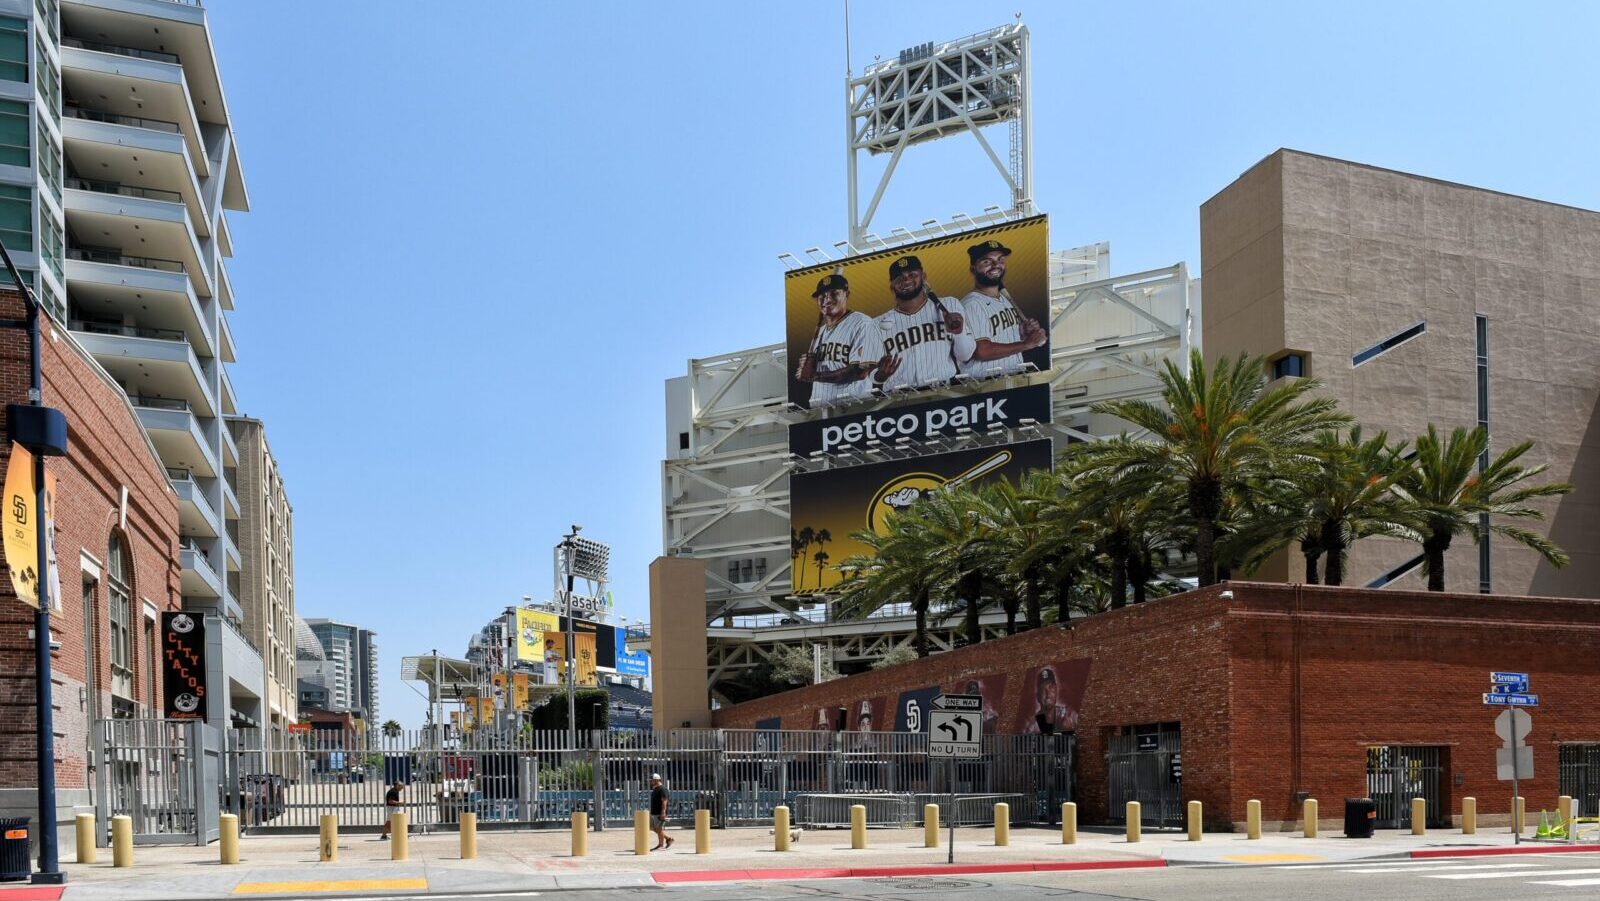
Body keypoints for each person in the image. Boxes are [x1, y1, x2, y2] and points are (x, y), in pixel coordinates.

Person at [871, 256, 974, 393]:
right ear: (891, 285)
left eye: (912, 274)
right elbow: (869, 374)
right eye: (899, 278)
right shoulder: (876, 325)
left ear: (923, 276)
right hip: (899, 398)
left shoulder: (949, 305)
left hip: (944, 391)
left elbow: (965, 355)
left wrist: (959, 332)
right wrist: (880, 376)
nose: (906, 280)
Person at [958, 239, 1047, 379]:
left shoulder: (1004, 298)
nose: (996, 265)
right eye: (987, 261)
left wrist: (1023, 333)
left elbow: (1002, 339)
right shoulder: (971, 304)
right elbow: (982, 351)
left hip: (1012, 378)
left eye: (1000, 260)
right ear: (973, 269)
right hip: (984, 384)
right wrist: (1026, 344)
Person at [795, 274, 880, 407]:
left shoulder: (862, 323)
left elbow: (860, 371)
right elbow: (815, 371)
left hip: (855, 406)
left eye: (834, 293)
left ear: (847, 294)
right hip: (821, 409)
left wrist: (815, 376)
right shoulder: (821, 332)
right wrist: (808, 363)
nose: (827, 299)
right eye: (822, 296)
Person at [1030, 666, 1076, 735]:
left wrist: (1071, 731)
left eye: (1051, 687)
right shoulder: (1032, 726)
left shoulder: (1070, 715)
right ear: (1038, 696)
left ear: (1056, 690)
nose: (1048, 693)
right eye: (1043, 689)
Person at [649, 773, 674, 850]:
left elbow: (664, 801)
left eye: (652, 780)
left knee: (659, 829)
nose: (650, 782)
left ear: (657, 780)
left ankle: (661, 845)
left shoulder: (663, 789)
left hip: (659, 813)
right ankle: (668, 839)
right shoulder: (655, 789)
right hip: (654, 812)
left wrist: (663, 812)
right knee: (652, 828)